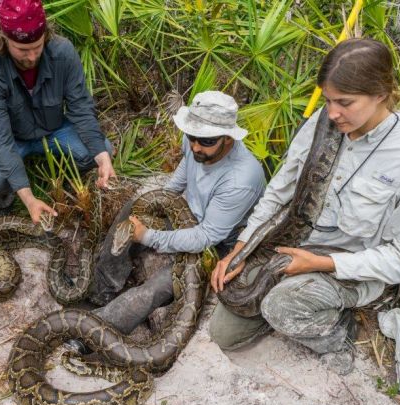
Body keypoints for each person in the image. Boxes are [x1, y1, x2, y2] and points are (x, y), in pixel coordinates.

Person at [209, 38, 400, 375]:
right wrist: (243, 248)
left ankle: (337, 333)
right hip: (288, 247)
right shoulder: (324, 124)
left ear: (381, 93)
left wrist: (317, 263)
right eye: (328, 100)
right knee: (224, 334)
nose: (332, 113)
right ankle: (291, 298)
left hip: (348, 267)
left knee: (282, 306)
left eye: (345, 102)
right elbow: (279, 191)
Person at [65, 91, 266, 354]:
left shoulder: (242, 177)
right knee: (131, 210)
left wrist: (148, 236)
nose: (195, 146)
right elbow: (179, 180)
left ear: (228, 138)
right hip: (186, 216)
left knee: (157, 287)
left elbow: (206, 237)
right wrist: (154, 206)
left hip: (217, 248)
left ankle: (93, 334)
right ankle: (101, 291)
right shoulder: (196, 145)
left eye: (205, 141)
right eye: (192, 137)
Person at [0, 0, 116, 222]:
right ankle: (3, 204)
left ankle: (65, 178)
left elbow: (81, 108)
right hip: (11, 137)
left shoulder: (63, 52)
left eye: (37, 47)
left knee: (102, 149)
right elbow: (0, 139)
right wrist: (29, 199)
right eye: (23, 50)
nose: (32, 57)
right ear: (3, 39)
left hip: (52, 128)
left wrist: (103, 159)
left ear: (46, 35)